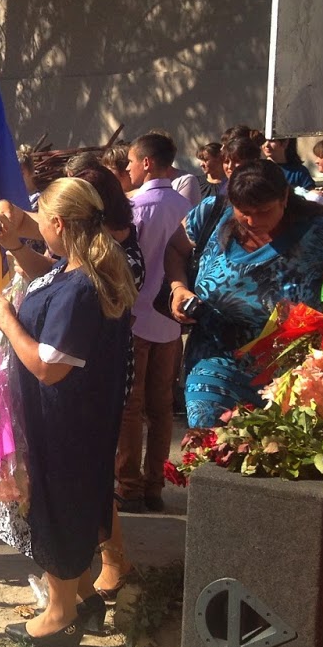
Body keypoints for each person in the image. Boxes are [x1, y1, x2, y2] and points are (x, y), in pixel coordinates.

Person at [0, 177, 136, 647]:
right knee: (70, 504)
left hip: (65, 422)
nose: (38, 227)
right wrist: (14, 245)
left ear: (60, 224)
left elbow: (49, 367)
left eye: (41, 220)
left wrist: (8, 322)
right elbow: (48, 276)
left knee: (61, 506)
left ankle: (61, 613)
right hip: (73, 420)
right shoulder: (83, 269)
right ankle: (82, 598)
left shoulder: (81, 287)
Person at [167, 160, 323, 429]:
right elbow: (175, 249)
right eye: (244, 212)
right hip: (214, 355)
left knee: (276, 447)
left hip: (289, 368)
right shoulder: (212, 212)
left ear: (284, 198)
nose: (252, 221)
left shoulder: (320, 233)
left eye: (264, 211)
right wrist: (178, 288)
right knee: (210, 435)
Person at [117, 133, 194, 515]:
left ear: (146, 163)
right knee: (161, 407)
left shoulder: (136, 206)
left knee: (131, 407)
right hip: (170, 318)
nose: (128, 168)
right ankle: (154, 486)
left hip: (136, 315)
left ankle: (129, 485)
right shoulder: (186, 205)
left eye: (131, 161)